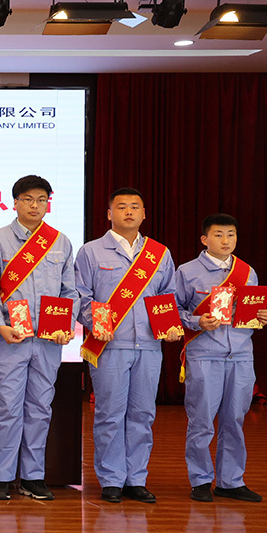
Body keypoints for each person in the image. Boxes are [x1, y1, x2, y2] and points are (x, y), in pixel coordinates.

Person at [74, 188, 178, 504]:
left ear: (144, 213)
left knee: (142, 414)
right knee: (109, 413)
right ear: (109, 214)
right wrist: (96, 322)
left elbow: (168, 296)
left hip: (149, 345)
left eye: (135, 207)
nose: (128, 212)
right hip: (109, 346)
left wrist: (170, 326)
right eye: (121, 207)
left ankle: (136, 479)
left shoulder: (159, 253)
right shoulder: (91, 252)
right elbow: (80, 296)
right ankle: (111, 479)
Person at [0, 175, 78, 501]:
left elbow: (70, 290)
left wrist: (67, 325)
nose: (35, 205)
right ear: (15, 202)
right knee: (7, 408)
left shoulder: (60, 242)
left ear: (48, 203)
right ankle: (1, 476)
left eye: (41, 200)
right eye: (28, 199)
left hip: (48, 342)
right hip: (10, 339)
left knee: (40, 408)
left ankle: (33, 477)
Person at [174, 213, 267, 503]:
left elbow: (249, 310)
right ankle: (201, 480)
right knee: (202, 420)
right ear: (205, 239)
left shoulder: (247, 271)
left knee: (234, 420)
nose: (225, 240)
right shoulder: (187, 271)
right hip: (204, 354)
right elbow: (172, 309)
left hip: (240, 354)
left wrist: (262, 316)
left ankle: (231, 481)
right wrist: (196, 321)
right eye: (218, 235)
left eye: (231, 235)